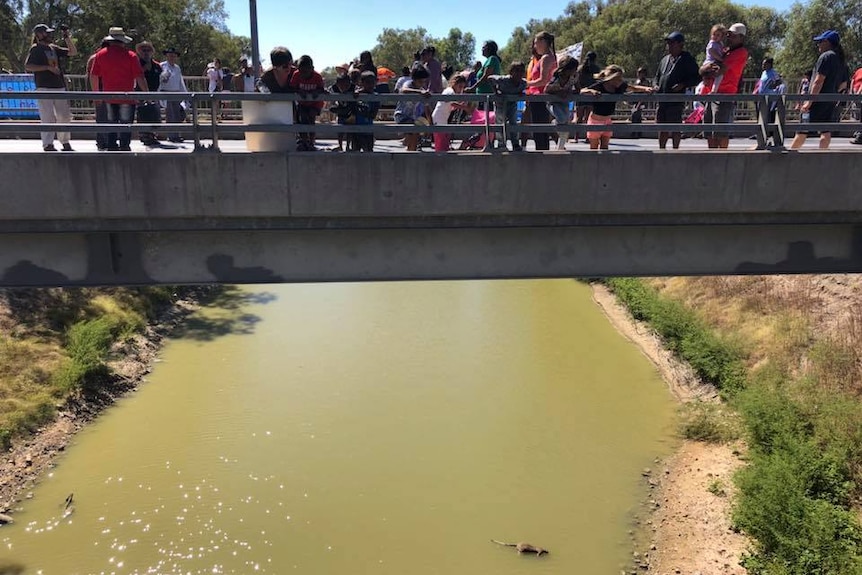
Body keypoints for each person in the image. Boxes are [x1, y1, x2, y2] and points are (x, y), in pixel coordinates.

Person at [790, 30, 849, 150]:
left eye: (820, 42)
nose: (818, 45)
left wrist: (809, 102)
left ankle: (789, 156)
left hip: (817, 101)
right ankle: (823, 156)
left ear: (827, 42)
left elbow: (818, 81)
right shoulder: (841, 60)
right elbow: (843, 85)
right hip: (830, 101)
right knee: (825, 131)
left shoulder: (826, 56)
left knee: (802, 131)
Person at [89, 27, 146, 151]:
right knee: (126, 124)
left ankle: (112, 147)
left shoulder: (100, 55)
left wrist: (96, 95)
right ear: (122, 41)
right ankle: (124, 147)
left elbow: (93, 76)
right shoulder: (131, 56)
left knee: (111, 123)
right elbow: (139, 76)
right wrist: (147, 93)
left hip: (108, 96)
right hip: (127, 96)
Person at [24, 23, 77, 151]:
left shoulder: (53, 48)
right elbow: (28, 66)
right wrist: (47, 68)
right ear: (39, 35)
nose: (49, 35)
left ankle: (65, 141)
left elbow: (73, 52)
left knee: (64, 116)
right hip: (44, 87)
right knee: (48, 117)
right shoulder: (35, 49)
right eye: (46, 33)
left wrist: (66, 37)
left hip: (59, 86)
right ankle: (48, 143)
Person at [580, 65, 654, 150]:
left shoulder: (619, 86)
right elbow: (582, 91)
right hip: (595, 120)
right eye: (618, 78)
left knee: (605, 147)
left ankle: (604, 163)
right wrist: (591, 91)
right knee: (594, 148)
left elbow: (633, 88)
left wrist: (646, 89)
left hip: (607, 120)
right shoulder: (600, 85)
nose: (620, 80)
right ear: (612, 77)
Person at [700, 22, 748, 149]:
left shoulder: (740, 53)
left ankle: (722, 157)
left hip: (725, 95)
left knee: (720, 131)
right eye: (728, 35)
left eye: (733, 36)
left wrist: (706, 69)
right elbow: (703, 70)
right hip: (712, 93)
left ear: (741, 38)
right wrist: (705, 69)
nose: (729, 38)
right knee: (709, 130)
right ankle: (712, 156)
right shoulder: (725, 51)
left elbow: (720, 70)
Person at [654, 31, 700, 149]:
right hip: (662, 100)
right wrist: (655, 85)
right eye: (668, 43)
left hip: (675, 101)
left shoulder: (686, 59)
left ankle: (675, 149)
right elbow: (657, 77)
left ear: (680, 44)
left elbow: (696, 77)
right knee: (661, 127)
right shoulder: (664, 60)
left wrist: (683, 84)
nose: (669, 46)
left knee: (675, 127)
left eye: (672, 43)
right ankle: (662, 149)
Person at [525, 31, 557, 150]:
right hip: (538, 97)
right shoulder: (549, 57)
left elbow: (543, 80)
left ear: (543, 42)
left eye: (536, 43)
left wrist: (526, 83)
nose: (534, 46)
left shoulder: (546, 58)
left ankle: (541, 154)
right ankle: (543, 152)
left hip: (540, 97)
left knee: (539, 131)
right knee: (540, 130)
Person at [487, 61, 528, 151]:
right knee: (500, 123)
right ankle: (501, 144)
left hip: (512, 104)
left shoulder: (523, 83)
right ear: (511, 72)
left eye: (521, 71)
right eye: (516, 71)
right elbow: (489, 78)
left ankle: (515, 143)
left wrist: (520, 93)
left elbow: (523, 90)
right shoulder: (503, 80)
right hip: (500, 105)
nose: (519, 73)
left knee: (514, 123)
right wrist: (496, 92)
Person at [288, 55, 325, 151]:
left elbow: (322, 89)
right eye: (301, 71)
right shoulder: (296, 75)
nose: (303, 74)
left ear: (312, 69)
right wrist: (299, 91)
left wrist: (316, 91)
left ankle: (311, 142)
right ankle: (304, 141)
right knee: (302, 119)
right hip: (302, 103)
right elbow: (292, 87)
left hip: (314, 104)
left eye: (305, 72)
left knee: (311, 119)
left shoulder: (317, 77)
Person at [544, 55, 578, 150]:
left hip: (564, 102)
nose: (574, 71)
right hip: (553, 102)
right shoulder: (556, 78)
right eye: (573, 69)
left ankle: (560, 146)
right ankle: (553, 123)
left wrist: (570, 92)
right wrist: (558, 92)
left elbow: (577, 89)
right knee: (561, 119)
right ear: (567, 69)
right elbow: (546, 89)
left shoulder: (574, 77)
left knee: (566, 123)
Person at [394, 66, 431, 151]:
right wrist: (419, 92)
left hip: (412, 117)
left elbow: (427, 108)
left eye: (424, 82)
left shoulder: (422, 90)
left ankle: (410, 149)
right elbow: (403, 90)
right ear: (414, 79)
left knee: (418, 131)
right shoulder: (409, 84)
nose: (422, 84)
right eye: (420, 81)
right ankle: (410, 149)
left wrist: (430, 124)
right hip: (401, 115)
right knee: (415, 130)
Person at [431, 73, 472, 152]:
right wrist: (464, 107)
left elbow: (450, 105)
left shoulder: (450, 91)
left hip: (442, 118)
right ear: (454, 84)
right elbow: (452, 103)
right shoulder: (450, 92)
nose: (461, 89)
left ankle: (442, 152)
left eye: (462, 87)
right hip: (440, 118)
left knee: (443, 139)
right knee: (441, 140)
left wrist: (460, 105)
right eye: (460, 87)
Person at [752, 57, 784, 147]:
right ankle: (761, 135)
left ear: (769, 64)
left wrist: (773, 86)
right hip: (761, 97)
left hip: (769, 98)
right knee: (760, 116)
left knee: (768, 117)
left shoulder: (773, 73)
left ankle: (769, 137)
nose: (763, 65)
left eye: (764, 64)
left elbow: (780, 81)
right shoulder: (763, 73)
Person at [159, 47, 188, 143]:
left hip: (176, 93)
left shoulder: (177, 68)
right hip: (166, 93)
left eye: (174, 56)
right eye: (170, 55)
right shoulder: (162, 66)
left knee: (178, 115)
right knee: (170, 116)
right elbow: (159, 80)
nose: (172, 57)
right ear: (167, 56)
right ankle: (172, 136)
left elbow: (180, 82)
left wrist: (185, 94)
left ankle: (176, 134)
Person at [135, 41, 161, 146]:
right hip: (141, 94)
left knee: (154, 115)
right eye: (143, 50)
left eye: (148, 50)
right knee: (143, 115)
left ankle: (152, 134)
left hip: (154, 93)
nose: (146, 53)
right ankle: (144, 135)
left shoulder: (157, 66)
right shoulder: (137, 64)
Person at [86, 40, 109, 150]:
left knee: (104, 118)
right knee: (102, 118)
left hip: (103, 91)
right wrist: (95, 94)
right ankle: (102, 141)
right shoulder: (96, 58)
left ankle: (105, 140)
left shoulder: (95, 57)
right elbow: (91, 76)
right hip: (101, 91)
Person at [574, 51, 599, 143]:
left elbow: (576, 80)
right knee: (588, 118)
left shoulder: (580, 68)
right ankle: (588, 137)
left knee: (578, 118)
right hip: (591, 95)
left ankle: (576, 137)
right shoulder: (596, 69)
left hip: (581, 94)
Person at [468, 41, 502, 110]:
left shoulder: (492, 59)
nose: (482, 49)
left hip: (487, 97)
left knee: (485, 119)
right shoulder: (489, 60)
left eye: (483, 47)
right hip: (483, 97)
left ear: (489, 49)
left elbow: (486, 77)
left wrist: (472, 88)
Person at [352, 70, 380, 152]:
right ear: (362, 83)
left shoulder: (376, 97)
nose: (370, 85)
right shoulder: (358, 95)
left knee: (368, 151)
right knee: (355, 152)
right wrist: (356, 93)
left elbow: (373, 115)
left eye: (372, 82)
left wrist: (361, 111)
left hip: (368, 130)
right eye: (368, 82)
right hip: (356, 130)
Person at [328, 72, 355, 151]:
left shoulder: (353, 87)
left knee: (350, 130)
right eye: (342, 86)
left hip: (350, 111)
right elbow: (330, 98)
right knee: (340, 130)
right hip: (340, 110)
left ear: (350, 83)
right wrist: (334, 107)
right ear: (337, 84)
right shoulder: (333, 88)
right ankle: (340, 145)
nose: (344, 88)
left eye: (347, 85)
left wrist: (356, 93)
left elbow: (359, 90)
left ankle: (347, 146)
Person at [700, 24, 726, 94]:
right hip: (710, 61)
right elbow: (712, 52)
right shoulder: (712, 43)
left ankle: (713, 90)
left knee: (719, 75)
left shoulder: (720, 44)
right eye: (714, 34)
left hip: (716, 62)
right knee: (716, 74)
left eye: (718, 35)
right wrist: (720, 59)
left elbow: (722, 51)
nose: (715, 37)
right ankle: (705, 89)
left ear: (721, 37)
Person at [851, 66, 862, 144]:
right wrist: (851, 91)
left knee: (859, 114)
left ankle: (859, 134)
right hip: (855, 91)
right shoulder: (858, 70)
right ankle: (857, 132)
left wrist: (859, 92)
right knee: (855, 113)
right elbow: (853, 80)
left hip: (859, 93)